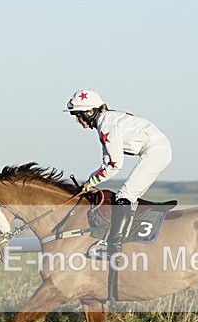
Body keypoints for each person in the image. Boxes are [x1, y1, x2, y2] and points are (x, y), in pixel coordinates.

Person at [64, 88, 172, 301]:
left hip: (156, 151)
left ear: (90, 112)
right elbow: (110, 162)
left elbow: (114, 166)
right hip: (156, 149)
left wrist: (91, 182)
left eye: (78, 115)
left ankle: (114, 248)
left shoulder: (107, 125)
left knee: (124, 196)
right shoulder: (108, 120)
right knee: (126, 196)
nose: (77, 120)